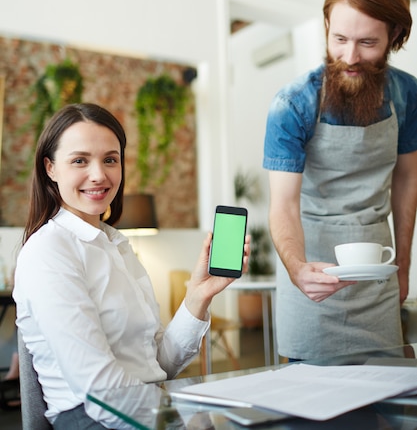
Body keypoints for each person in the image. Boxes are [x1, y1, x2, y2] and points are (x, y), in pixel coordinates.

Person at [13, 103, 250, 429]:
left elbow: (157, 365)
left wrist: (198, 295)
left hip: (146, 404)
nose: (99, 174)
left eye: (110, 159)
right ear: (50, 168)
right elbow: (100, 389)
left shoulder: (117, 246)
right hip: (96, 418)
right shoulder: (48, 251)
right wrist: (175, 422)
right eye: (80, 160)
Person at [263, 0, 417, 362]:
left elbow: (406, 180)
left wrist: (402, 265)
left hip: (378, 272)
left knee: (386, 407)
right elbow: (282, 204)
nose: (350, 57)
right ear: (327, 26)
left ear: (395, 37)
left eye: (367, 42)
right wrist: (298, 269)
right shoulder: (293, 103)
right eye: (340, 39)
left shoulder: (407, 95)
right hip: (312, 274)